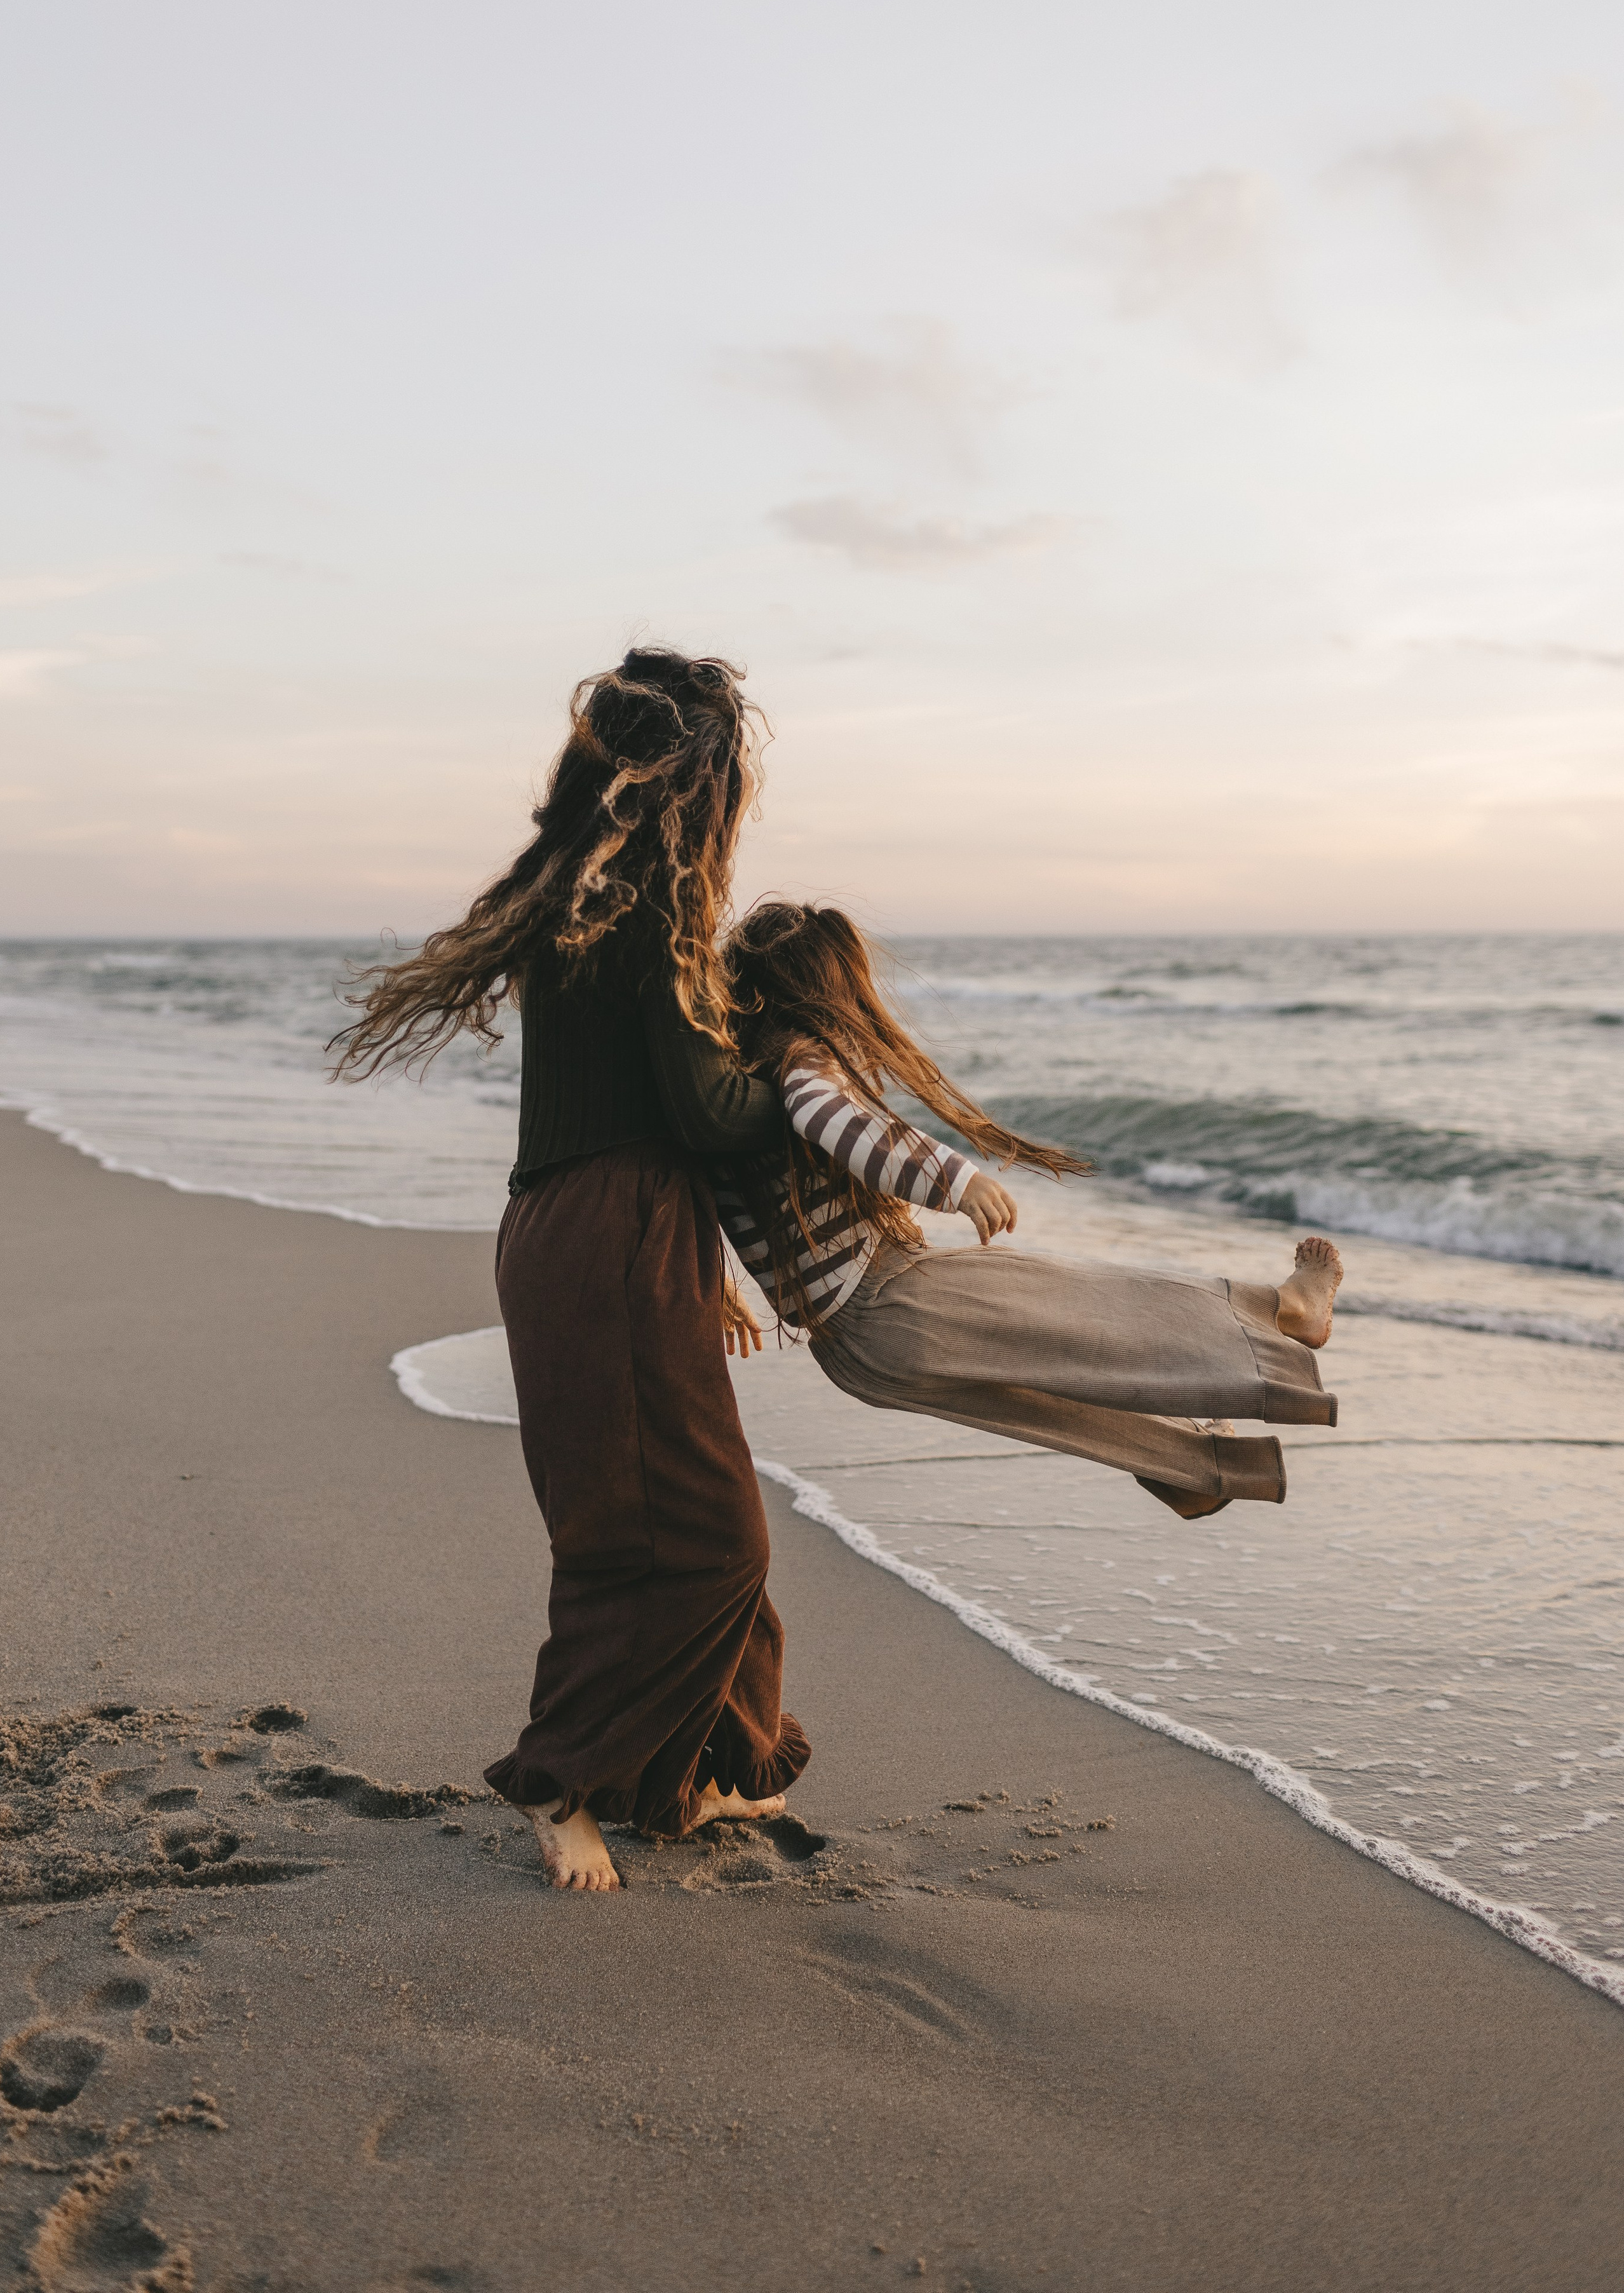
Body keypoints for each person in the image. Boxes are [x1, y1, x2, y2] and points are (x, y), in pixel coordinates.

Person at [332, 651, 809, 1892]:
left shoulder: (579, 900)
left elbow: (632, 1107)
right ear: (698, 786)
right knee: (690, 1539)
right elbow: (703, 1113)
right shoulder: (651, 911)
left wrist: (698, 1260)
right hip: (616, 1239)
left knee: (664, 1522)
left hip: (578, 1230)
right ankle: (558, 1782)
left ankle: (697, 1773)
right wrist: (804, 1091)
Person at [712, 903, 1343, 1520]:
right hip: (893, 1298)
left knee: (1048, 1399)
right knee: (1110, 1306)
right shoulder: (803, 1059)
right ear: (826, 990)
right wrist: (953, 1180)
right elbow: (825, 1116)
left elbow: (707, 1194)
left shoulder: (731, 1088)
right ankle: (1286, 1310)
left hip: (851, 1355)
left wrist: (716, 1283)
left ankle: (1195, 1469)